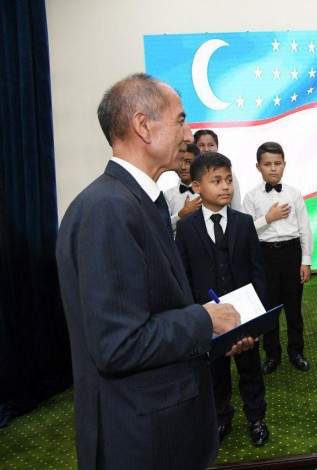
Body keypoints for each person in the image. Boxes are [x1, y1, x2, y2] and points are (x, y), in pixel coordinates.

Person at [56, 73, 253, 469]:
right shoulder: (108, 209)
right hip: (142, 439)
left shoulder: (135, 201)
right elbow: (118, 344)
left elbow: (154, 312)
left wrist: (213, 333)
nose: (189, 135)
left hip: (160, 427)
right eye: (180, 120)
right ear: (143, 126)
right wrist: (204, 321)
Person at [175, 152, 270, 447]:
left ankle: (256, 418)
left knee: (250, 368)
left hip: (244, 316)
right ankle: (220, 417)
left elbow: (257, 270)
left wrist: (258, 316)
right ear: (197, 187)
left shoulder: (244, 222)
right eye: (216, 181)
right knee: (215, 372)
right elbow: (184, 276)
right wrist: (194, 316)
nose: (226, 186)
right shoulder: (186, 227)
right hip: (208, 320)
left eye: (228, 180)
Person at [242, 142, 313, 374]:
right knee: (269, 307)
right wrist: (268, 218)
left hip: (291, 252)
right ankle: (272, 355)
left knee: (294, 306)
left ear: (284, 164)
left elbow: (304, 228)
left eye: (277, 163)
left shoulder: (294, 193)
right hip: (265, 255)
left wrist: (306, 260)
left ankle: (296, 351)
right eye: (267, 164)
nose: (273, 168)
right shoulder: (251, 196)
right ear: (258, 166)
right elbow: (245, 233)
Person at [194, 129, 243, 211]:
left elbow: (236, 204)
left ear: (217, 147)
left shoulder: (228, 172)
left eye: (211, 145)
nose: (206, 149)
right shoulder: (188, 172)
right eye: (201, 145)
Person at [164, 142, 201, 234]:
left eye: (188, 162)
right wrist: (182, 213)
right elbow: (162, 227)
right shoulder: (168, 195)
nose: (183, 167)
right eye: (180, 161)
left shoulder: (207, 192)